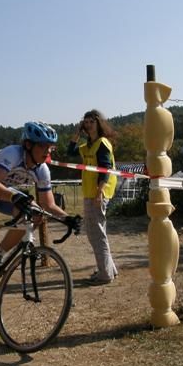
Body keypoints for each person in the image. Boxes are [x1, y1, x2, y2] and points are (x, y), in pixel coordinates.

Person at [0, 121, 81, 320]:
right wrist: (14, 197)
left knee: (35, 213)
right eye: (43, 146)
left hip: (3, 191)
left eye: (50, 147)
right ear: (28, 145)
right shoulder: (12, 154)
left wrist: (67, 218)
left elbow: (48, 204)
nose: (47, 151)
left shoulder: (42, 169)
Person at [67, 109, 118, 285]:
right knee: (97, 233)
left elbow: (105, 170)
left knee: (96, 234)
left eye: (91, 122)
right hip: (90, 193)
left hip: (98, 194)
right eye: (86, 122)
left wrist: (99, 193)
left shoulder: (102, 143)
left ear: (98, 123)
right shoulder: (88, 146)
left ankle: (105, 274)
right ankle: (109, 269)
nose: (88, 125)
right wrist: (77, 133)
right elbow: (70, 151)